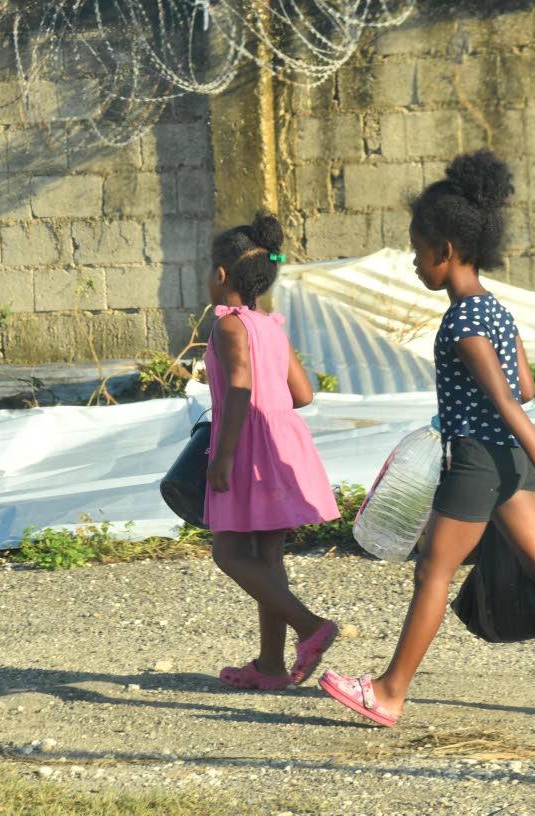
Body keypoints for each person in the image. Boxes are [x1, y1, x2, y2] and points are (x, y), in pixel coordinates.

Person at [318, 151, 535, 726]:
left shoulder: (462, 322)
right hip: (509, 460)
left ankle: (389, 692)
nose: (414, 263)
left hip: (477, 462)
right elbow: (524, 383)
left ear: (445, 252)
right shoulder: (494, 309)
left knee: (433, 572)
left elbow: (503, 397)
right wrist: (534, 461)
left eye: (417, 251)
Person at [204, 211, 340, 691]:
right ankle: (271, 665)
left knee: (227, 551)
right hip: (280, 443)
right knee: (267, 557)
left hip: (246, 447)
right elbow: (303, 394)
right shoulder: (270, 326)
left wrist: (222, 455)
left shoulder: (228, 327)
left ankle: (311, 627)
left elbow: (239, 389)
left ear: (221, 276)